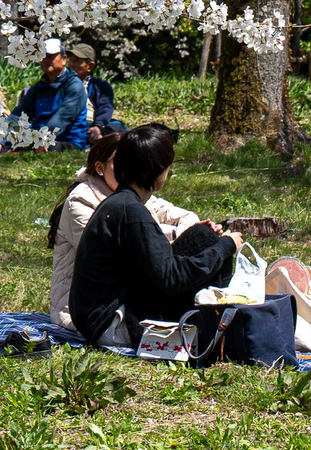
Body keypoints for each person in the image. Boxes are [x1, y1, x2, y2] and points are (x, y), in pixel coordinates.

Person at [68, 123, 240, 347]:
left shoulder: (122, 204)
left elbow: (159, 264)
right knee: (211, 244)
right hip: (112, 323)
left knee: (201, 236)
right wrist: (226, 246)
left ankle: (216, 326)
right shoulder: (131, 212)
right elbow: (171, 279)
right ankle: (220, 333)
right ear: (158, 168)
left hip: (100, 316)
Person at [49, 126, 203, 329]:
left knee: (203, 239)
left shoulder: (134, 194)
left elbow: (188, 217)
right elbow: (120, 251)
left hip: (125, 293)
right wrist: (162, 241)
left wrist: (176, 237)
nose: (128, 168)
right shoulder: (81, 201)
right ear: (100, 167)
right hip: (87, 310)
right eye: (120, 162)